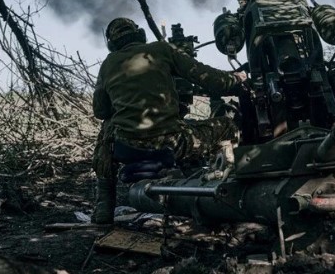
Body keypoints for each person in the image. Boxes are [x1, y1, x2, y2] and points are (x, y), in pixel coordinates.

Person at [91, 17, 245, 224]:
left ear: (111, 43)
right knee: (227, 126)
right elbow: (210, 78)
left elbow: (100, 111)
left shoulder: (108, 65)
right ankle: (228, 187)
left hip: (129, 145)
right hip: (174, 143)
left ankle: (104, 204)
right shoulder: (161, 49)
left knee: (107, 128)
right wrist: (236, 79)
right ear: (139, 34)